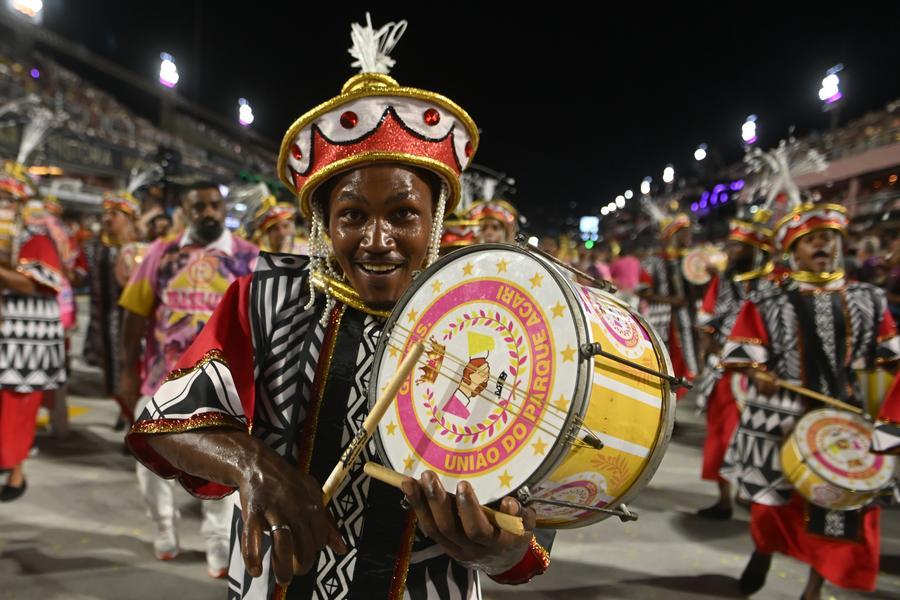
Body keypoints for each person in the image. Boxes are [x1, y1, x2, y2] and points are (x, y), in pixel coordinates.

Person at [126, 15, 551, 599]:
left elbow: (533, 526)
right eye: (352, 215)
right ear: (324, 224)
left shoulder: (493, 321)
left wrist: (501, 548)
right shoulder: (265, 297)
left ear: (434, 221)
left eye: (402, 214)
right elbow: (167, 422)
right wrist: (253, 465)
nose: (376, 240)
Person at [720, 142, 900, 598]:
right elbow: (741, 352)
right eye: (811, 240)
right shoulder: (767, 300)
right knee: (772, 505)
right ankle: (764, 549)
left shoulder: (870, 299)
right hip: (777, 415)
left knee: (839, 508)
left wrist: (887, 423)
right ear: (794, 252)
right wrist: (757, 372)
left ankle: (813, 588)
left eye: (829, 238)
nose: (823, 245)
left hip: (844, 417)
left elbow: (891, 360)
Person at [118, 178, 259, 576]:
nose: (208, 213)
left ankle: (217, 540)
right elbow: (134, 315)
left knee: (224, 466)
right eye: (199, 207)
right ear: (184, 211)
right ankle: (164, 525)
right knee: (151, 466)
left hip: (224, 389)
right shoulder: (160, 254)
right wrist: (127, 372)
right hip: (161, 382)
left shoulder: (249, 258)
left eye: (214, 205)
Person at [694, 216, 775, 519]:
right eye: (729, 246)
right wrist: (712, 349)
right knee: (721, 434)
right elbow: (706, 322)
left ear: (756, 250)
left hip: (761, 375)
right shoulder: (723, 281)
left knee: (755, 437)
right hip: (725, 373)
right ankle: (724, 499)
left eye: (738, 247)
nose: (730, 252)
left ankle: (750, 494)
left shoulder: (774, 286)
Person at [0, 160, 66, 502]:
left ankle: (16, 473)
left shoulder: (37, 239)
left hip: (25, 343)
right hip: (6, 339)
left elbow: (36, 283)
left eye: (7, 200)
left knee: (17, 411)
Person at [84, 189, 141, 426]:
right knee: (111, 373)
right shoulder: (95, 246)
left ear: (128, 219)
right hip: (103, 319)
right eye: (106, 214)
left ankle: (132, 417)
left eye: (114, 214)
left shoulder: (140, 248)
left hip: (130, 321)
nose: (107, 218)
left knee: (129, 369)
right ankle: (125, 411)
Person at [639, 207, 701, 394]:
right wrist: (672, 301)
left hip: (686, 317)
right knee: (664, 358)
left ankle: (680, 389)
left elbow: (695, 292)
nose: (688, 237)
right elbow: (644, 292)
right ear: (672, 236)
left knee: (685, 358)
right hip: (662, 317)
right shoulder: (653, 261)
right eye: (684, 233)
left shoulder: (688, 260)